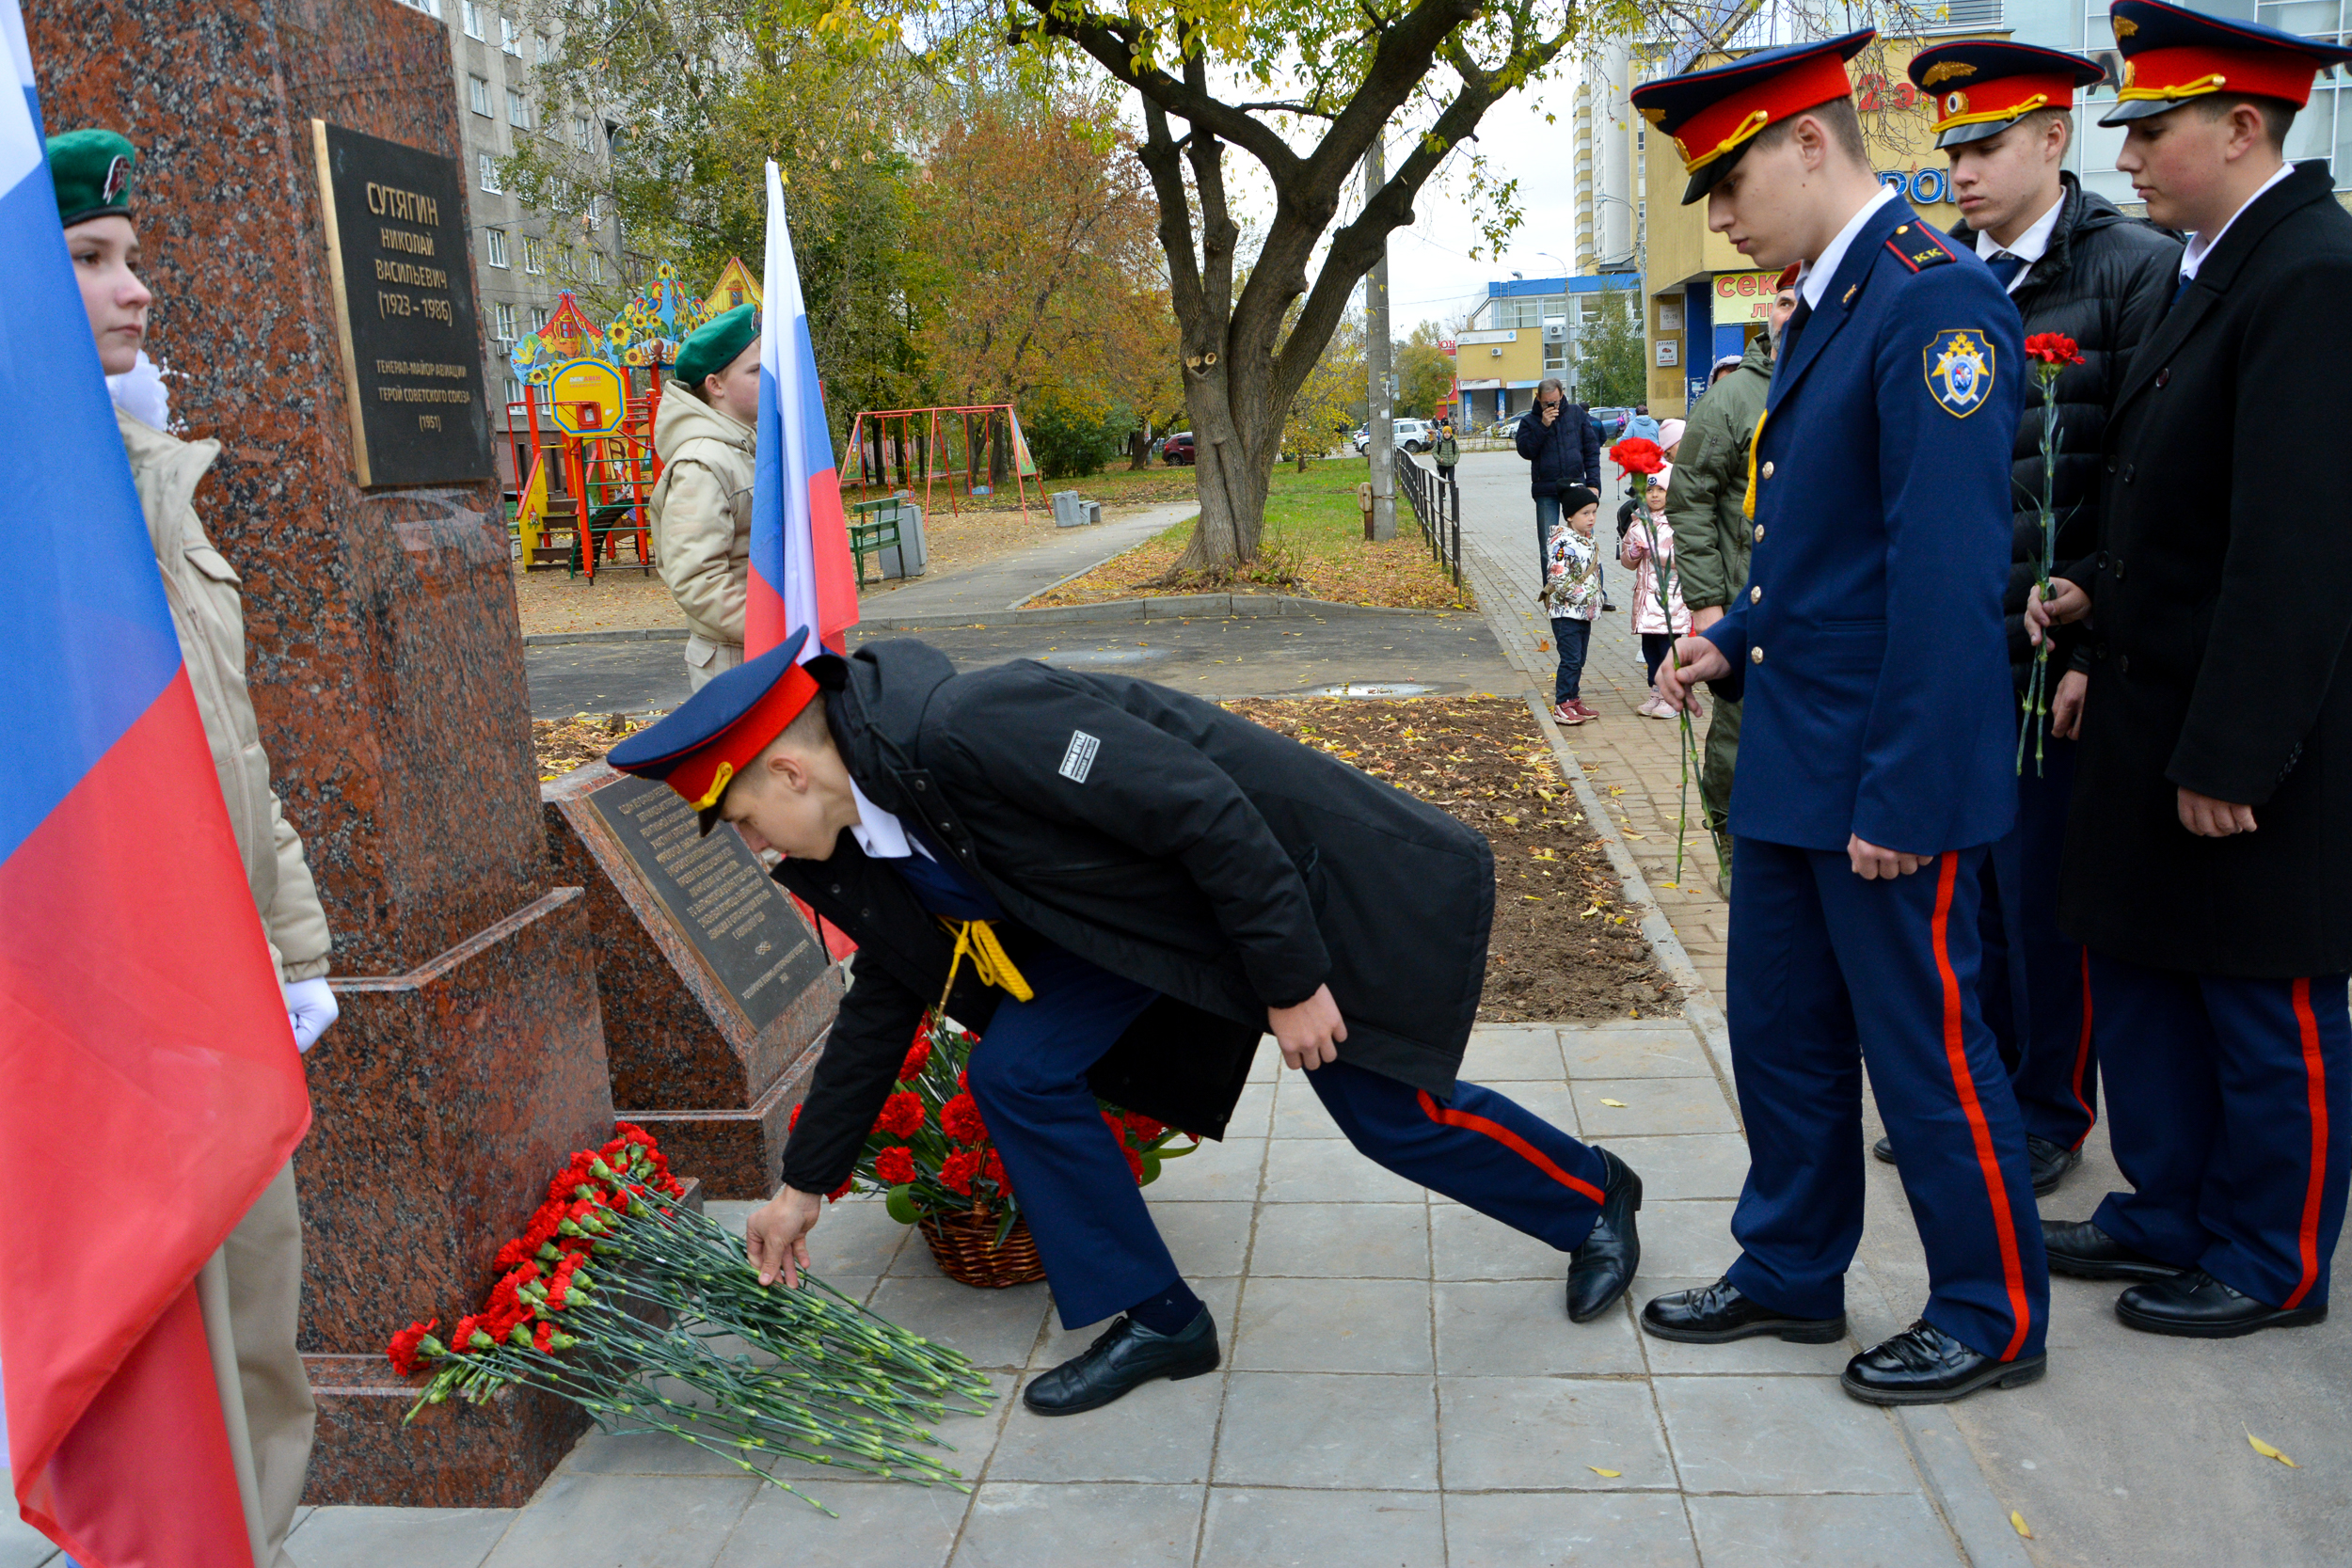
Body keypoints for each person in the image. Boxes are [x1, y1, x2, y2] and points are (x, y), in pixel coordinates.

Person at [606, 634, 1650, 1417]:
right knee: (1016, 1073)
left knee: (1390, 1115)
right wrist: (801, 1185)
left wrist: (1289, 981)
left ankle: (1591, 1195)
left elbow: (1202, 807)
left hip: (1275, 895)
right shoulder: (851, 839)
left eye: (741, 819)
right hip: (1128, 936)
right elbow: (884, 999)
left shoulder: (971, 724)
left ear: (790, 769)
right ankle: (1160, 1317)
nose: (752, 846)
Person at [1633, 33, 2047, 1406]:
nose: (1722, 215)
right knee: (1785, 1033)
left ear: (1812, 142)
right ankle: (1793, 1265)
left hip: (1884, 776)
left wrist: (1909, 796)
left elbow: (1941, 577)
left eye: (1733, 177)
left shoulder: (1933, 305)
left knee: (1927, 1051)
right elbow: (1827, 559)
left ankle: (1991, 1308)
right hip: (1800, 756)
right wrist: (1728, 637)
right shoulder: (1833, 302)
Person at [2026, 0, 2352, 1338]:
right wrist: (2093, 602)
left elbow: (2295, 548)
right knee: (2152, 972)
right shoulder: (2211, 264)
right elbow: (2166, 500)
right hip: (2150, 705)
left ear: (2244, 123)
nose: (2130, 158)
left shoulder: (2311, 274)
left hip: (2245, 737)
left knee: (2261, 1000)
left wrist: (2233, 754)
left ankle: (2271, 1255)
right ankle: (2166, 1206)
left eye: (2153, 130)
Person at [58, 128, 334, 1568]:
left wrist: (293, 950)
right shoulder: (34, 513)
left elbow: (236, 744)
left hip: (220, 968)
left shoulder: (149, 473)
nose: (139, 288)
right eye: (92, 262)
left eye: (136, 256)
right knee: (156, 1359)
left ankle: (251, 1540)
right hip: (102, 996)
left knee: (256, 1310)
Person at [1872, 40, 2184, 1196]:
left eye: (1986, 144)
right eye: (1949, 146)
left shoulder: (2135, 271)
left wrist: (2095, 635)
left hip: (2063, 649)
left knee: (2049, 902)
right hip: (1968, 647)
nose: (1960, 168)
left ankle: (2050, 1108)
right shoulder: (1944, 278)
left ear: (2054, 140)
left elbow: (2146, 476)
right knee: (1973, 898)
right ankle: (1981, 1089)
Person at [1670, 271, 1800, 884]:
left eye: (1799, 300)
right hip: (1740, 604)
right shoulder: (1730, 398)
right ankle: (1728, 832)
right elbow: (1688, 498)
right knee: (1737, 730)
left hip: (1807, 606)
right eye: (1779, 300)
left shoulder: (1835, 376)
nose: (1789, 311)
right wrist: (1705, 606)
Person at [650, 304, 760, 690]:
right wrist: (772, 627)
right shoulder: (703, 462)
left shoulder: (744, 447)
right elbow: (697, 578)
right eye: (756, 371)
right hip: (737, 662)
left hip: (762, 649)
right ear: (716, 385)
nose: (770, 379)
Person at [1620, 469, 1693, 720]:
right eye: (1649, 491)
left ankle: (1672, 697)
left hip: (1669, 600)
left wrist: (1653, 552)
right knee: (1650, 651)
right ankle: (1656, 691)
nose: (1654, 495)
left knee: (1668, 651)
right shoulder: (1637, 521)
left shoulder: (1676, 522)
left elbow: (1682, 558)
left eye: (1660, 490)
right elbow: (1627, 561)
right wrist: (1633, 553)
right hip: (1645, 601)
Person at [1513, 376, 1601, 583]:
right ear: (1538, 398)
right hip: (1547, 490)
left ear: (1562, 394)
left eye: (1555, 401)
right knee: (1549, 546)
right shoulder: (1529, 421)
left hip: (1576, 488)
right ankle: (1552, 594)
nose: (1552, 406)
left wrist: (1594, 484)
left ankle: (1594, 591)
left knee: (1585, 542)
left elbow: (1591, 451)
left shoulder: (1576, 414)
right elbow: (1526, 451)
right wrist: (1543, 425)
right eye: (1546, 403)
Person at [1542, 485, 1605, 725]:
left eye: (1593, 512)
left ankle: (1573, 698)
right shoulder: (1562, 541)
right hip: (1566, 611)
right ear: (1570, 516)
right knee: (1570, 658)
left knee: (1579, 658)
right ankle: (1562, 703)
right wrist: (1581, 595)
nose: (1591, 518)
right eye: (1585, 513)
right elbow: (1557, 576)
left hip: (1583, 612)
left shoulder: (1587, 539)